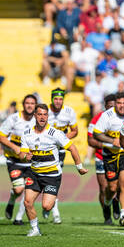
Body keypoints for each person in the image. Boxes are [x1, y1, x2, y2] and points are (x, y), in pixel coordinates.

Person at [20, 104, 88, 237]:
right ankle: (35, 229)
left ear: (48, 116)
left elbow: (72, 148)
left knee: (46, 206)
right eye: (39, 114)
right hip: (34, 173)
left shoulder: (55, 133)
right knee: (27, 202)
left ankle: (49, 207)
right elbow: (22, 155)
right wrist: (25, 157)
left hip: (52, 175)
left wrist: (79, 167)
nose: (42, 117)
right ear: (34, 115)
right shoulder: (27, 134)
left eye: (45, 114)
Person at [94, 93, 124, 226]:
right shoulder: (107, 115)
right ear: (115, 104)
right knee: (112, 188)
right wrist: (112, 140)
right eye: (119, 103)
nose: (121, 106)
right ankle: (107, 204)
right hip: (110, 156)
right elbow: (97, 133)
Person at [0, 94, 37, 225]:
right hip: (14, 161)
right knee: (19, 189)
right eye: (27, 103)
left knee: (28, 190)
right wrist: (14, 147)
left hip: (30, 162)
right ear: (23, 105)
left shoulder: (38, 120)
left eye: (32, 103)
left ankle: (18, 218)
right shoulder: (14, 119)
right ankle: (12, 199)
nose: (30, 105)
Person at [87, 94, 120, 224]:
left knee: (118, 186)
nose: (112, 109)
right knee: (103, 187)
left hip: (118, 157)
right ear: (105, 106)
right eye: (110, 106)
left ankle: (116, 201)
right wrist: (109, 144)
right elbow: (90, 141)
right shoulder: (96, 120)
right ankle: (107, 215)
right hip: (101, 157)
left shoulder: (121, 118)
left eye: (114, 106)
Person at [47, 87, 78, 223]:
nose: (58, 102)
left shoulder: (69, 112)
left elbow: (75, 130)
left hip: (59, 151)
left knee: (55, 176)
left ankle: (55, 210)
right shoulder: (44, 111)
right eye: (56, 99)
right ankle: (48, 203)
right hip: (44, 150)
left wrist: (62, 138)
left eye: (61, 99)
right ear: (52, 99)